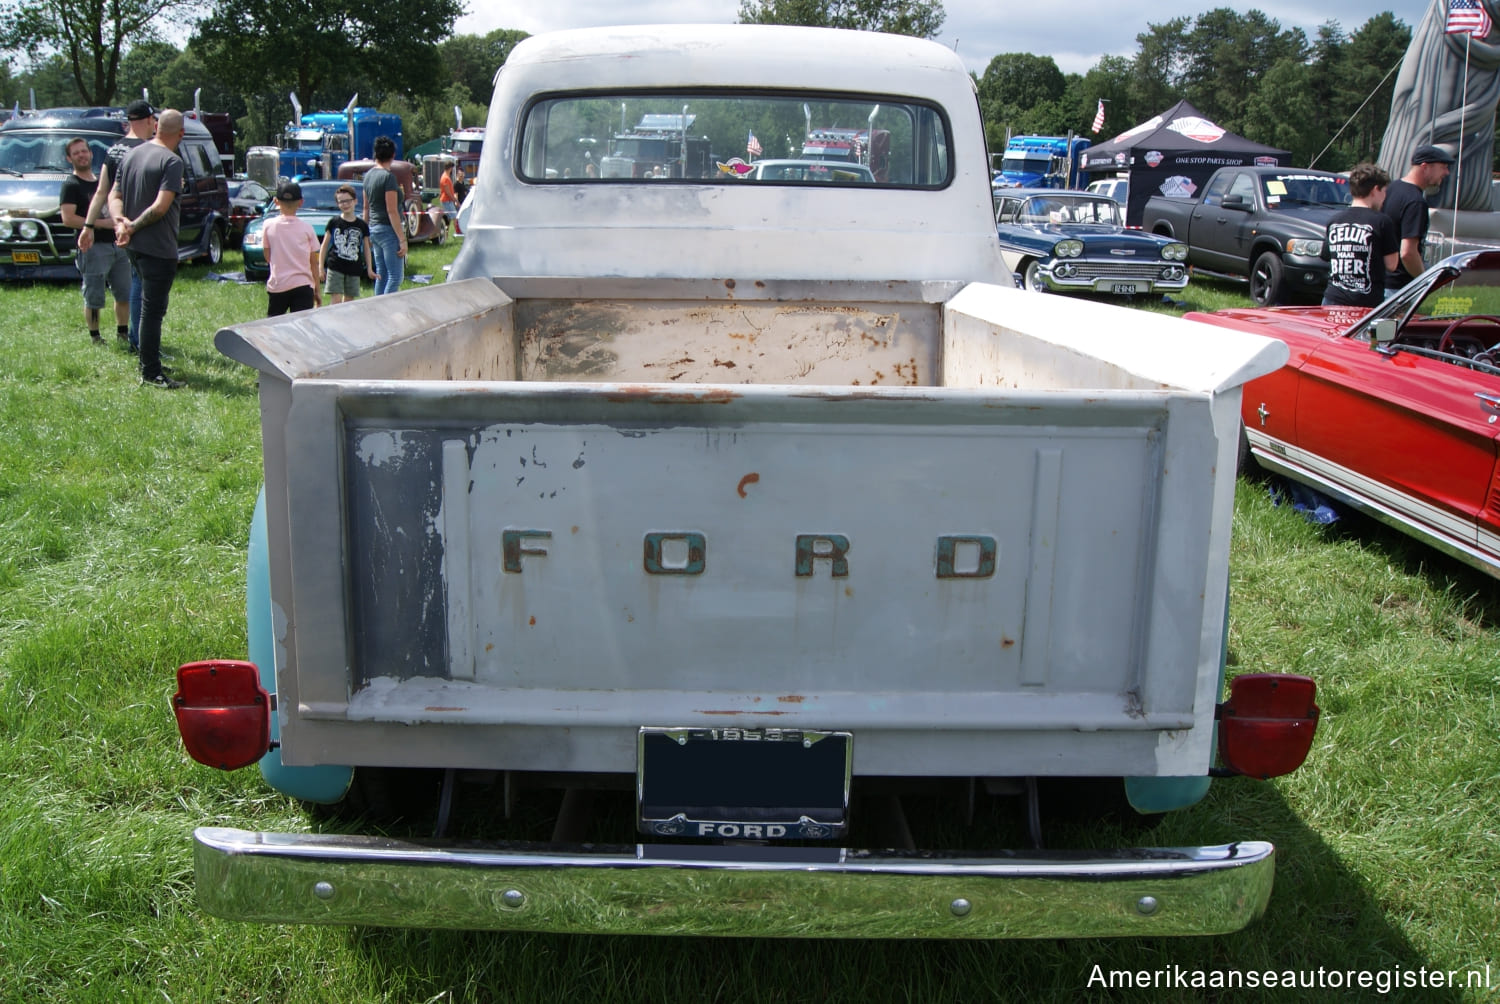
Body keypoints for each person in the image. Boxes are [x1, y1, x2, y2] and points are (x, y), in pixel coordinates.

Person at [110, 108, 186, 389]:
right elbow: (160, 207)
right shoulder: (171, 161)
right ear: (181, 133)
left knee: (145, 308)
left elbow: (114, 195)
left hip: (134, 247)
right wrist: (130, 227)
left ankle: (149, 362)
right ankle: (151, 373)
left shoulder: (132, 154)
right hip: (158, 247)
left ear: (156, 127)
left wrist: (121, 223)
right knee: (153, 312)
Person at [77, 99, 155, 351]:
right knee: (143, 287)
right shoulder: (150, 148)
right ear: (147, 120)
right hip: (143, 228)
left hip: (120, 228)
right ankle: (139, 340)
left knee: (133, 284)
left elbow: (101, 192)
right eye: (153, 120)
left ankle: (133, 337)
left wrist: (88, 226)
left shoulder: (114, 150)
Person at [58, 137, 131, 344]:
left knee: (124, 292)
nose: (81, 155)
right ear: (69, 158)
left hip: (118, 245)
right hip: (92, 248)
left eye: (84, 151)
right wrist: (101, 224)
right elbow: (68, 218)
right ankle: (95, 336)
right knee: (94, 296)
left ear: (91, 154)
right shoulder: (71, 185)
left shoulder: (102, 182)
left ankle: (122, 333)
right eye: (76, 153)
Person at [1323, 163, 1400, 309]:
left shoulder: (1334, 221)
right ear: (1375, 190)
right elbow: (1392, 264)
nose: (1385, 197)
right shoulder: (1382, 222)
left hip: (1333, 298)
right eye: (1384, 191)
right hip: (1366, 302)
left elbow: (1327, 255)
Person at [1382, 145, 1455, 296]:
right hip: (1398, 287)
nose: (1446, 173)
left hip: (1380, 281)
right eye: (1443, 167)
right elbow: (1407, 253)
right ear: (1425, 167)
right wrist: (1424, 280)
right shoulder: (1415, 202)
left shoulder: (1390, 189)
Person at [261, 181, 322, 316]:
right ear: (301, 202)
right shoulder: (307, 229)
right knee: (302, 327)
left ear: (276, 201)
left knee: (274, 325)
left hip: (278, 285)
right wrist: (317, 289)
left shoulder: (268, 225)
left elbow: (267, 256)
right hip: (303, 285)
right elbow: (313, 263)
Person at [362, 135, 406, 295]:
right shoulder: (388, 178)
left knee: (381, 274)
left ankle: (375, 309)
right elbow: (392, 210)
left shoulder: (367, 176)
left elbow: (366, 208)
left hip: (373, 228)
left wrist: (365, 231)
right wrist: (402, 239)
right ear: (393, 155)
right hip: (388, 229)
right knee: (395, 277)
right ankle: (386, 310)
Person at [319, 184, 375, 304]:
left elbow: (366, 248)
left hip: (354, 268)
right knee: (336, 300)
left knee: (349, 301)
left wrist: (369, 269)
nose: (345, 204)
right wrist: (320, 267)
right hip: (335, 266)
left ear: (355, 201)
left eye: (348, 201)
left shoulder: (362, 225)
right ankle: (334, 321)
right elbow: (324, 246)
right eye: (341, 202)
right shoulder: (334, 222)